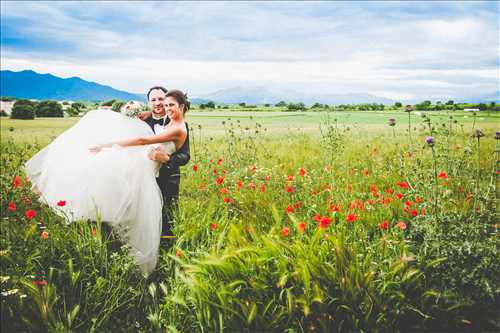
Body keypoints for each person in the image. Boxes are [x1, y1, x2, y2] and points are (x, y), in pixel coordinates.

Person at [24, 89, 190, 276]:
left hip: (159, 175)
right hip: (145, 169)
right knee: (107, 177)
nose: (164, 107)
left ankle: (154, 257)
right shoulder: (153, 119)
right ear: (149, 102)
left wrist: (108, 145)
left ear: (181, 106)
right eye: (159, 101)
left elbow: (150, 142)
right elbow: (134, 127)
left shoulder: (178, 127)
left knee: (154, 216)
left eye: (169, 104)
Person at [139, 87, 190, 240]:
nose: (158, 103)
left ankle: (168, 247)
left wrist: (167, 159)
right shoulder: (141, 121)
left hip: (168, 178)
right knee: (145, 214)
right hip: (144, 176)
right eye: (153, 100)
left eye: (161, 99)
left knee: (168, 216)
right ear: (148, 103)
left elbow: (185, 156)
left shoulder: (177, 122)